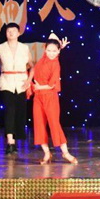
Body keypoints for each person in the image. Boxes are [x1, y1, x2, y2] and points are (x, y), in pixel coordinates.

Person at [30, 34, 77, 165]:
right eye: (49, 50)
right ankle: (46, 153)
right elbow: (52, 36)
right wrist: (59, 45)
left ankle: (65, 153)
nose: (51, 53)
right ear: (45, 50)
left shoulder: (55, 64)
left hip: (50, 96)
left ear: (58, 52)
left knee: (54, 124)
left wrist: (39, 87)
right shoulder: (42, 59)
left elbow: (52, 85)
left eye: (54, 51)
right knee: (39, 124)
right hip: (38, 97)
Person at [0, 22, 33, 154]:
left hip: (21, 82)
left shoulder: (24, 48)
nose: (11, 33)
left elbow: (32, 66)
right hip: (6, 81)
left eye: (13, 31)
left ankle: (16, 139)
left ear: (19, 33)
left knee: (20, 111)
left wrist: (29, 80)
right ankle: (10, 142)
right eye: (8, 31)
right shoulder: (0, 48)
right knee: (9, 110)